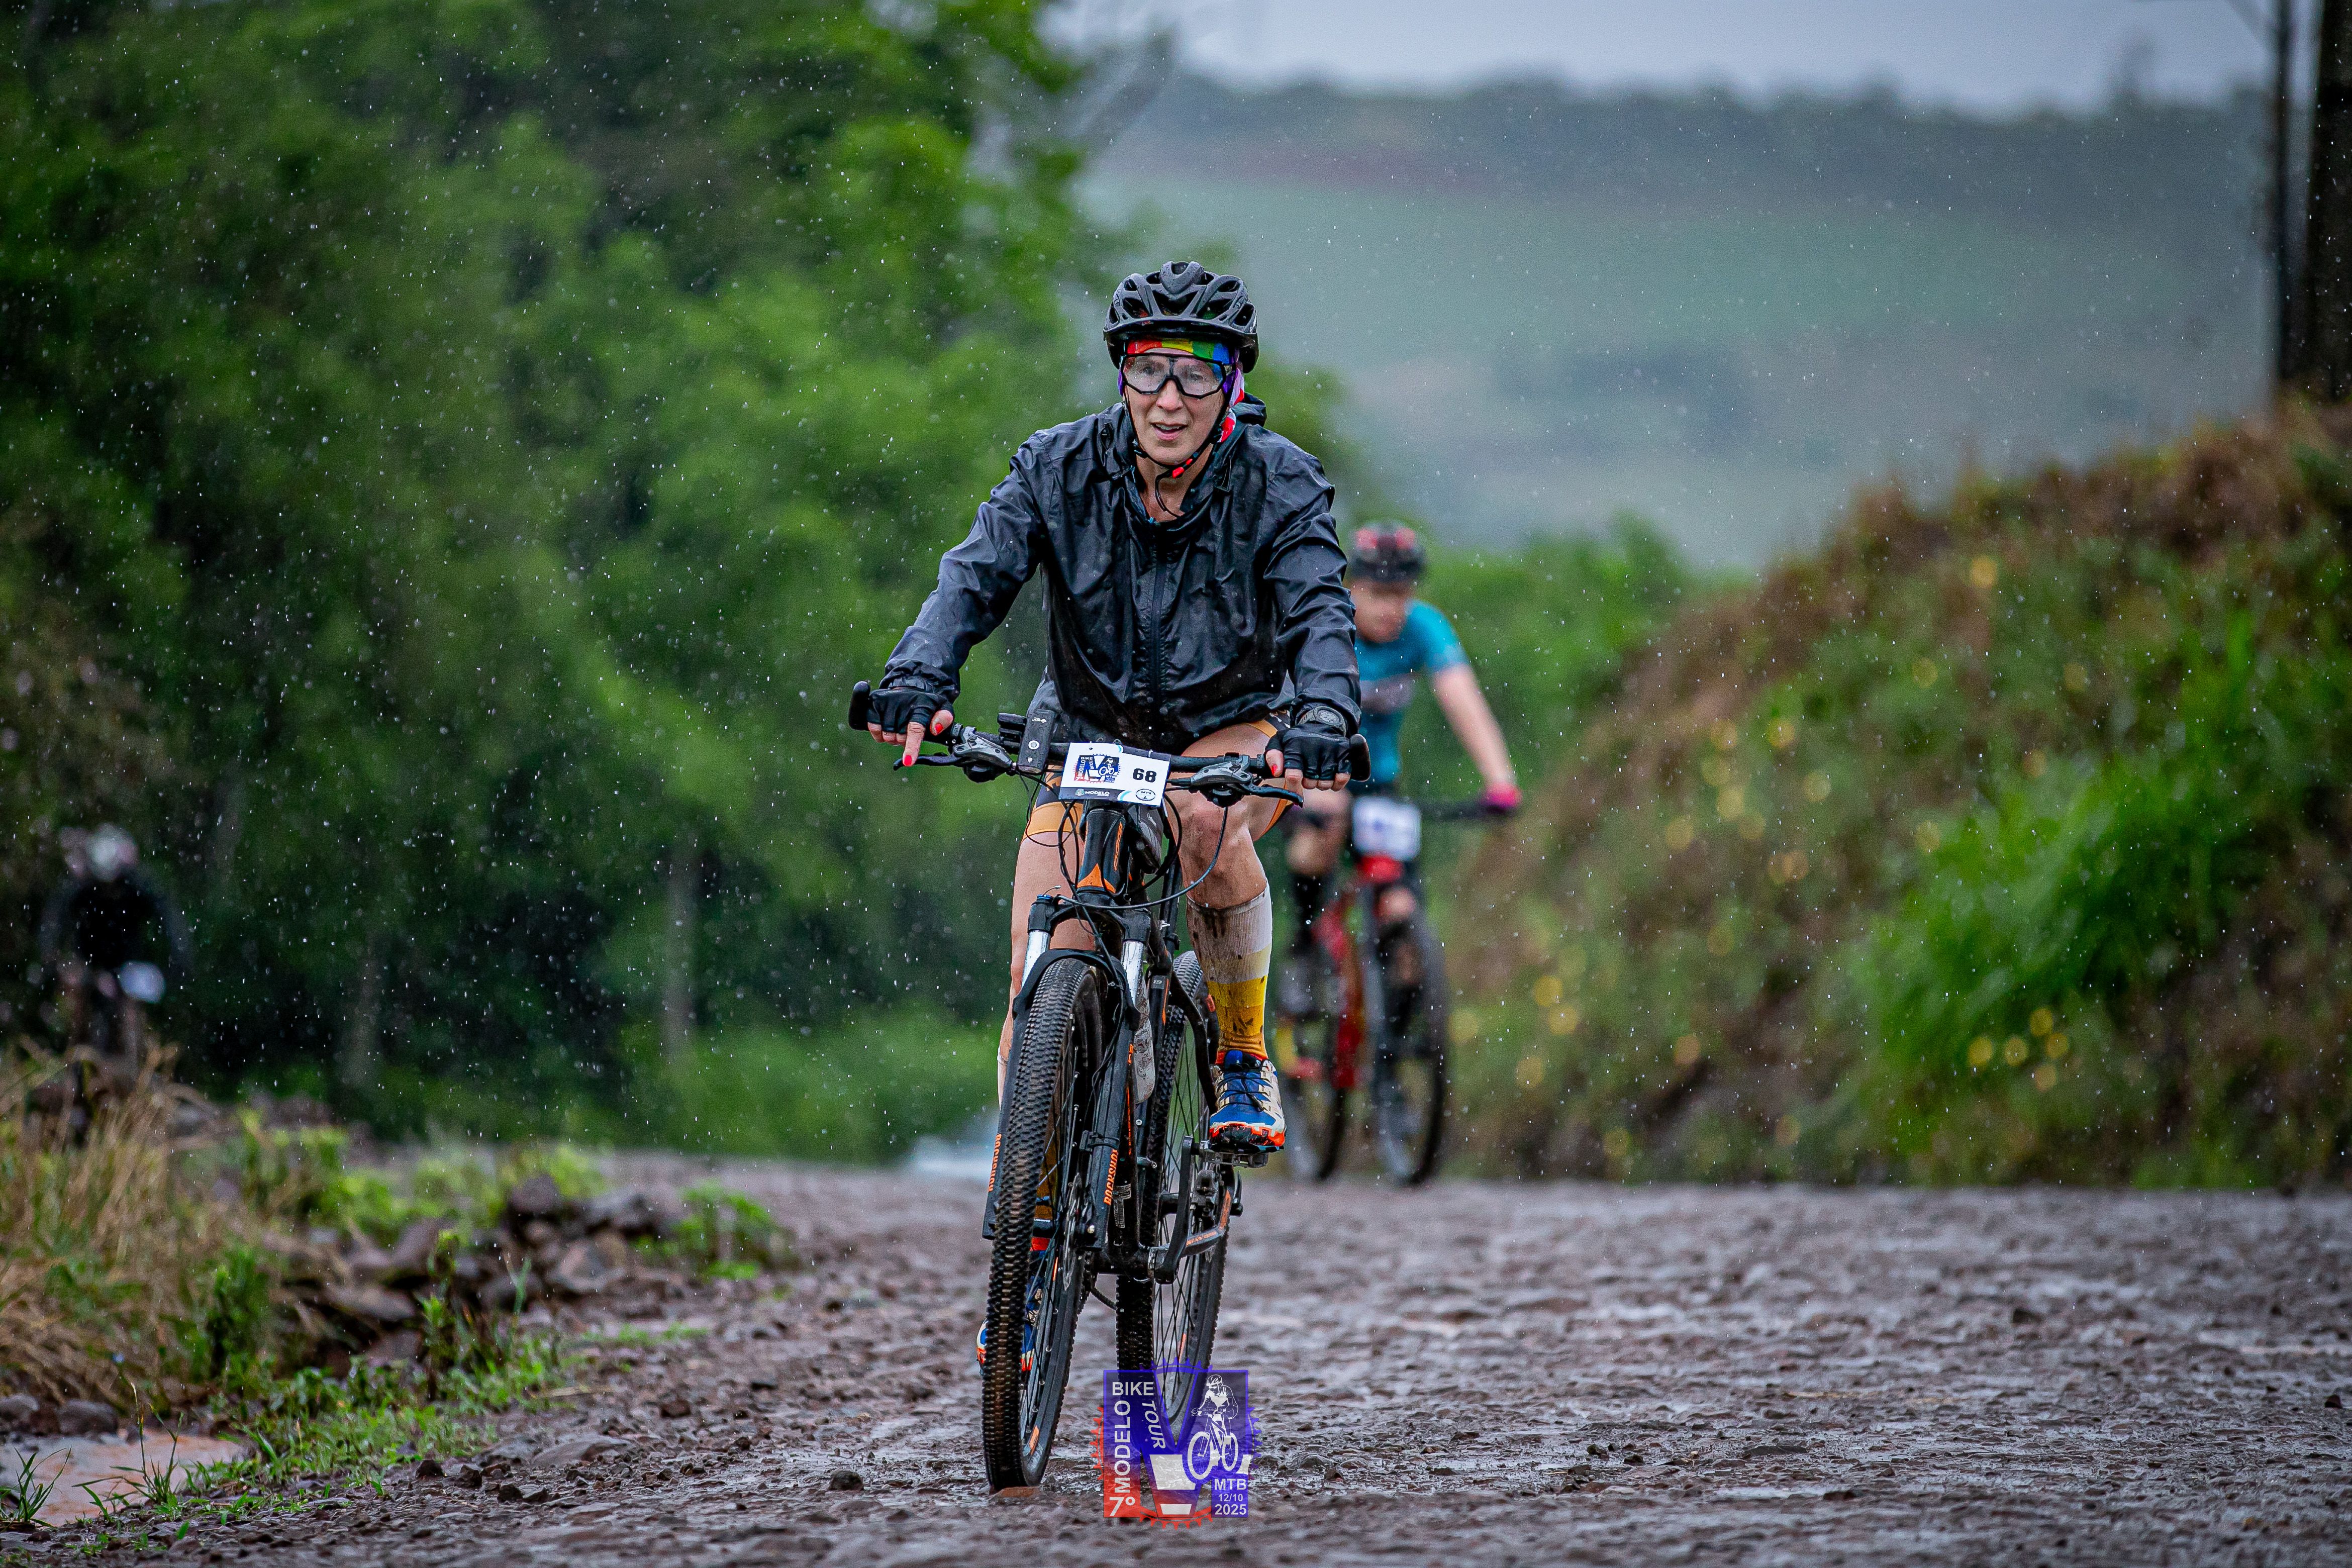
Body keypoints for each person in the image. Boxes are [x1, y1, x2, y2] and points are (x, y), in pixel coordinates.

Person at [862, 259, 1359, 1166]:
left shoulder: (1280, 483)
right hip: (1089, 732)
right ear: (1122, 372)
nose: (1169, 399)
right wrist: (918, 678)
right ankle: (1028, 1213)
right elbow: (974, 575)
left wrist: (1324, 715)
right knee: (1036, 972)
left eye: (1195, 374)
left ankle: (1244, 1056)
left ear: (1232, 382)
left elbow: (1320, 610)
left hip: (1233, 727)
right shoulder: (1057, 466)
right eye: (1148, 369)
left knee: (1203, 820)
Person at [1280, 524, 1517, 1005]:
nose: (1391, 608)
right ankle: (1304, 949)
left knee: (1402, 911)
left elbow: (1464, 700)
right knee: (1315, 844)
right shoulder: (1326, 625)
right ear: (1352, 588)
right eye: (1378, 594)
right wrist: (1297, 779)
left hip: (1380, 783)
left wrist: (1501, 781)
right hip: (1318, 776)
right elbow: (1282, 702)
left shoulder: (1423, 627)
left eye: (1401, 594)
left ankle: (1401, 1025)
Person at [37, 825, 191, 1064]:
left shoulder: (137, 885)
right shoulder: (81, 886)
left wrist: (179, 955)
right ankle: (74, 1061)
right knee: (77, 1006)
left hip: (128, 961)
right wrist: (51, 957)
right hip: (89, 960)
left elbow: (168, 915)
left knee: (132, 1011)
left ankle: (135, 1064)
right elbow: (55, 918)